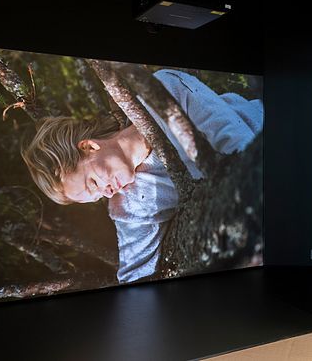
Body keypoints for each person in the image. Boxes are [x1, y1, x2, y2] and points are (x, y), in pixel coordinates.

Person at [21, 69, 263, 282]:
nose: (107, 192)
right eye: (96, 197)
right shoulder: (128, 203)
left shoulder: (161, 93)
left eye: (93, 182)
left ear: (89, 146)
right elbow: (134, 272)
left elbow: (237, 141)